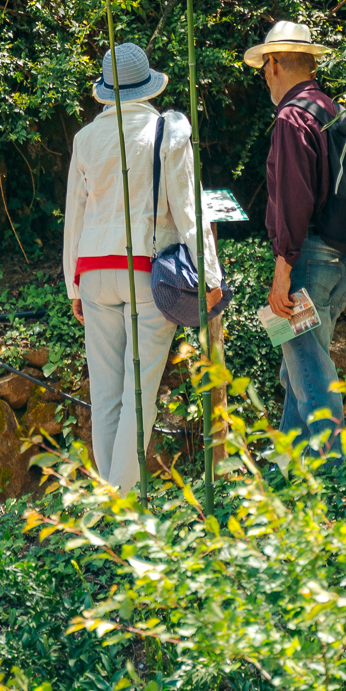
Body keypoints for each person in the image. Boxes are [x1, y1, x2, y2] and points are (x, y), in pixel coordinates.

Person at [63, 42, 222, 494]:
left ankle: (110, 495)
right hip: (144, 271)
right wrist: (210, 276)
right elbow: (189, 209)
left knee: (106, 392)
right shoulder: (166, 131)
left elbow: (76, 214)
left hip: (93, 272)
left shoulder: (86, 138)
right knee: (140, 392)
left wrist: (72, 284)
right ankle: (122, 499)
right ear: (147, 86)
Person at [243, 20, 346, 460]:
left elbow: (292, 200)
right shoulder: (331, 110)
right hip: (339, 262)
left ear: (272, 64)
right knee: (299, 373)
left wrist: (282, 273)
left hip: (305, 261)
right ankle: (284, 485)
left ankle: (341, 485)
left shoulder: (291, 118)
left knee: (311, 381)